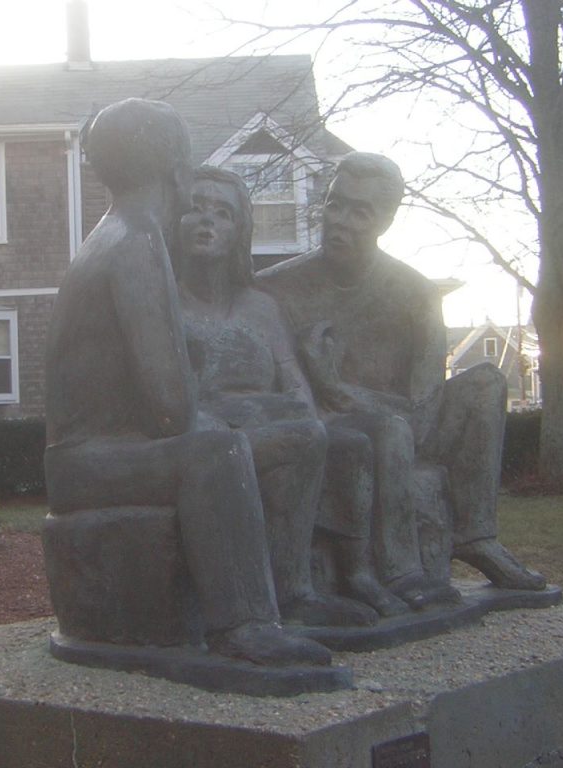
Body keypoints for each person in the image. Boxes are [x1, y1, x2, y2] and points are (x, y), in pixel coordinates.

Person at [43, 99, 332, 667]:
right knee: (215, 451)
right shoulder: (135, 244)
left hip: (108, 450)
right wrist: (236, 421)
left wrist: (257, 413)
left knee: (297, 433)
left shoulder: (122, 234)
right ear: (176, 169)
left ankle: (286, 592)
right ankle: (243, 625)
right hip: (89, 465)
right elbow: (173, 413)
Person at [257, 152, 546, 592]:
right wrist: (329, 395)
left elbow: (423, 416)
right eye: (336, 204)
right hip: (328, 427)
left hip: (403, 426)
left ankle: (477, 537)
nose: (341, 221)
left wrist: (335, 385)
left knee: (485, 382)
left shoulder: (416, 293)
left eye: (361, 211)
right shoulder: (276, 287)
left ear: (386, 221)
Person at [175, 165, 406, 620]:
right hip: (213, 438)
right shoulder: (164, 303)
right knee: (304, 439)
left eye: (223, 213)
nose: (207, 221)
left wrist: (304, 408)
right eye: (195, 209)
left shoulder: (260, 307)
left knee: (354, 443)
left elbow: (295, 386)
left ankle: (357, 573)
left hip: (278, 420)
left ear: (240, 229)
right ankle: (289, 592)